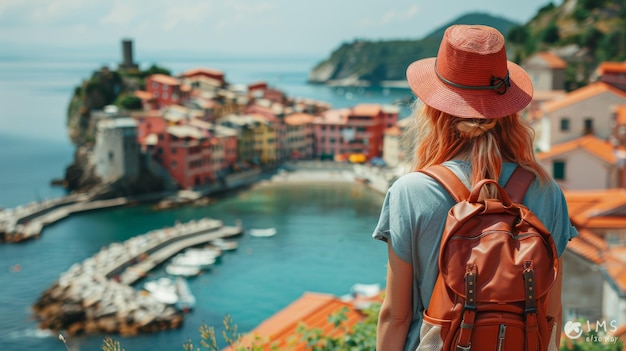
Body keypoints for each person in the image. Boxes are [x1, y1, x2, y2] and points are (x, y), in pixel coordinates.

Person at [372, 24, 578, 351]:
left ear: (433, 109)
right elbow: (551, 312)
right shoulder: (547, 191)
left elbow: (395, 316)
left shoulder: (409, 192)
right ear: (509, 111)